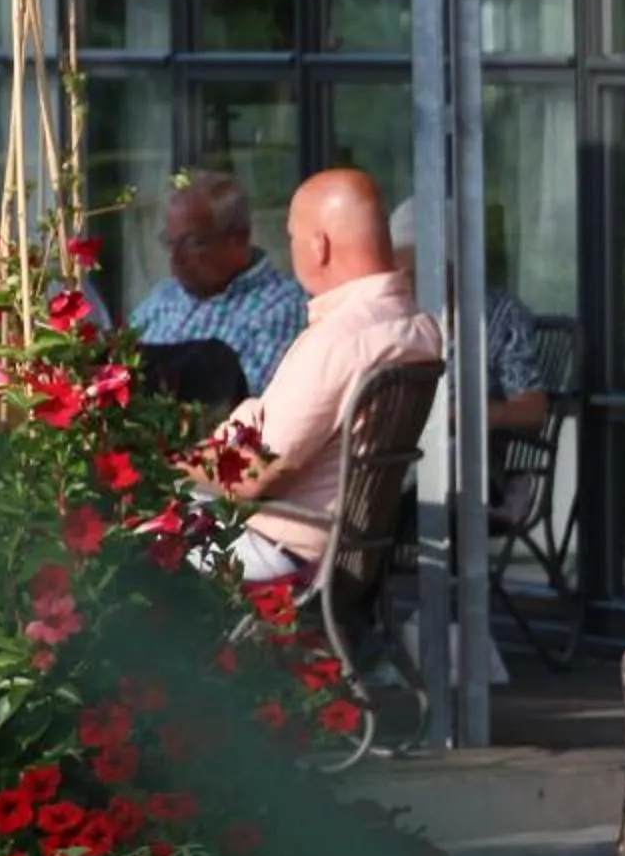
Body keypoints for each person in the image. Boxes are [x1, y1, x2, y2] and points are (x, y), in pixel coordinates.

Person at [206, 171, 442, 586]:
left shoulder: (342, 339)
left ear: (319, 245)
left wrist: (164, 462)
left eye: (293, 237)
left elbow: (250, 472)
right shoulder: (416, 328)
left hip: (280, 551)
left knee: (120, 549)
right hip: (347, 556)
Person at [130, 170, 308, 395]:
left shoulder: (280, 307)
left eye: (192, 243)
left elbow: (244, 399)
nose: (176, 258)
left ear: (238, 237)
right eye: (170, 242)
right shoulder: (164, 296)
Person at [388, 197, 549, 437]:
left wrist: (461, 414)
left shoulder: (499, 316)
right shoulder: (389, 311)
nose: (406, 286)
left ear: (451, 264)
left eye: (413, 273)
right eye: (396, 274)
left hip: (457, 456)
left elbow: (532, 411)